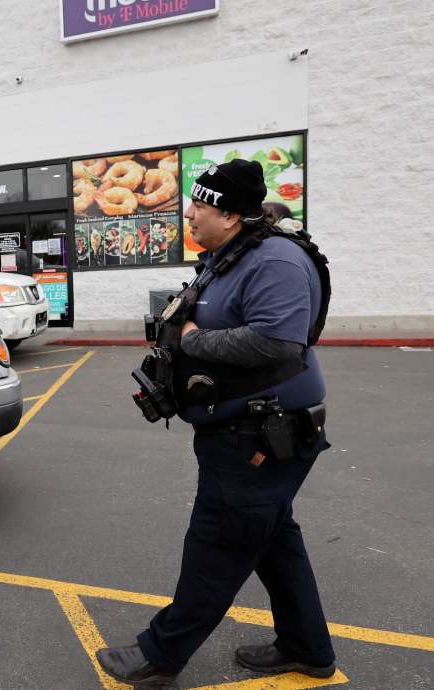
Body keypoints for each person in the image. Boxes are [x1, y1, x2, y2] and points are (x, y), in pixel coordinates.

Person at [99, 159, 336, 685]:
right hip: (244, 430)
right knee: (274, 543)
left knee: (217, 547)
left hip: (260, 435)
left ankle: (159, 656)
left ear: (230, 215)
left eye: (199, 205)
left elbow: (277, 341)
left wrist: (190, 341)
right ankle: (308, 648)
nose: (188, 213)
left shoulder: (275, 262)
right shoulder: (235, 254)